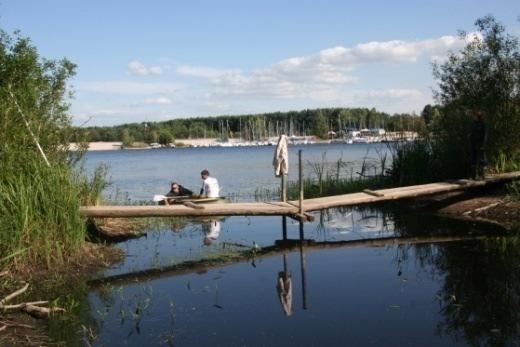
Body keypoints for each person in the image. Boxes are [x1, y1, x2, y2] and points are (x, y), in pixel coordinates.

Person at [469, 110, 487, 179]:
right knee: (473, 159)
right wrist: (469, 136)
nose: (473, 116)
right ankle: (474, 176)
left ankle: (483, 175)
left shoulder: (483, 124)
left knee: (482, 159)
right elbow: (471, 132)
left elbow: (485, 135)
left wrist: (483, 144)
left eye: (475, 115)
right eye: (473, 115)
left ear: (478, 116)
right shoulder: (473, 123)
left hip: (480, 144)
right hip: (473, 144)